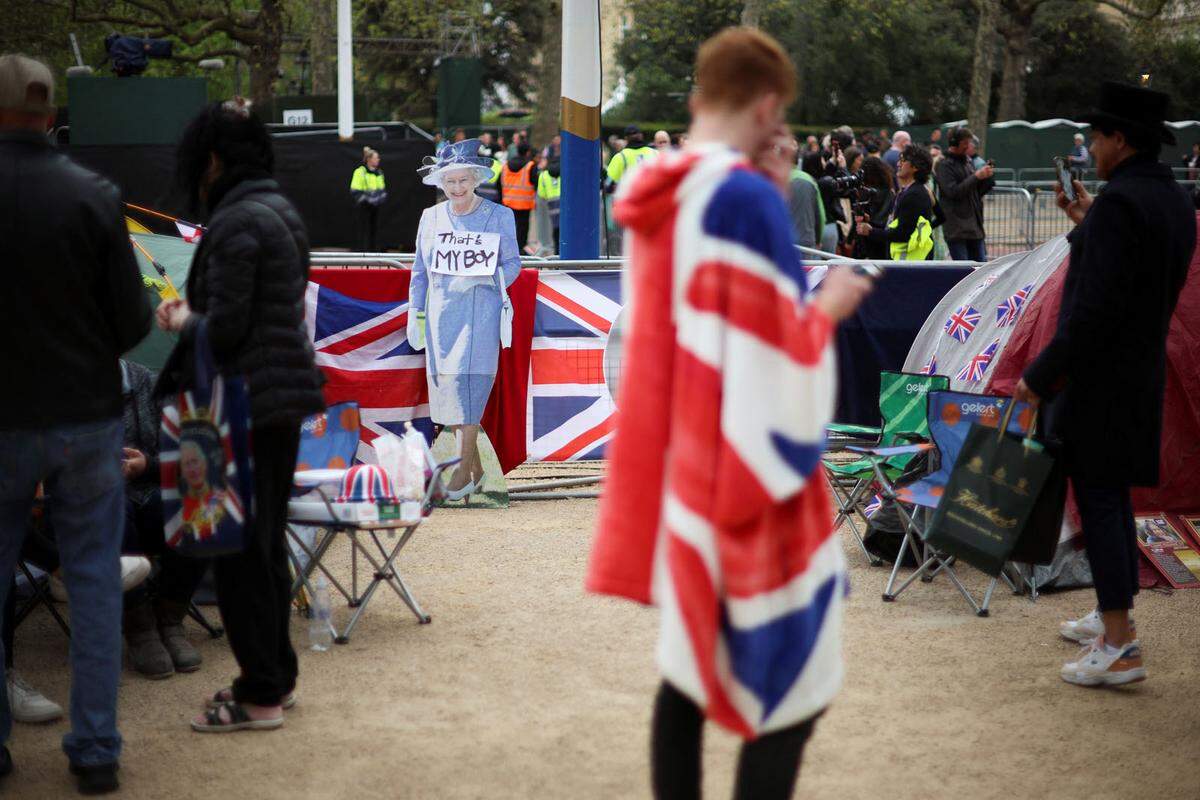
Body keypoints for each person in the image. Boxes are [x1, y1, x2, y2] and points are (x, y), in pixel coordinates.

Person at [586, 27, 873, 800]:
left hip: (686, 469)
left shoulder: (660, 190)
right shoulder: (743, 198)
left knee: (688, 668)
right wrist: (830, 306)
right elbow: (772, 353)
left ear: (696, 99)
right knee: (796, 685)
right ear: (770, 104)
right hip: (747, 475)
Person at [0, 53, 152, 793]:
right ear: (52, 115)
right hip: (87, 417)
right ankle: (96, 752)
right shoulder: (93, 195)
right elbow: (131, 320)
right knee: (93, 584)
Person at [1014, 81, 1196, 688]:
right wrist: (1086, 219)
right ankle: (1110, 616)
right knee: (1110, 500)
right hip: (1136, 373)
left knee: (1101, 499)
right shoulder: (1167, 200)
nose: (1089, 147)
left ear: (1120, 140)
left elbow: (1094, 307)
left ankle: (1120, 643)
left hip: (1098, 381)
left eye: (1096, 136)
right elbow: (1133, 274)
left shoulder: (1122, 205)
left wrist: (1038, 377)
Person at [157, 98, 325, 734]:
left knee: (240, 553)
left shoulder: (234, 223)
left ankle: (258, 694)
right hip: (279, 401)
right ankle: (274, 679)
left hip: (243, 404)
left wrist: (181, 318)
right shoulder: (279, 209)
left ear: (214, 160)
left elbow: (225, 328)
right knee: (263, 545)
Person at [408, 139, 522, 497]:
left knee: (469, 384)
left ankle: (461, 473)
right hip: (441, 314)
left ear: (475, 179)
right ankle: (475, 469)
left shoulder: (499, 215)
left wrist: (487, 278)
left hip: (480, 312)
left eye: (463, 181)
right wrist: (416, 309)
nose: (457, 188)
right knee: (447, 387)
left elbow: (513, 264)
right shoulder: (430, 217)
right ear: (441, 183)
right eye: (450, 182)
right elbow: (420, 270)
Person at [118, 359, 212, 680]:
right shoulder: (71, 389)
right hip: (100, 498)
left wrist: (148, 466)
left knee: (200, 506)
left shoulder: (152, 383)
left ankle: (170, 619)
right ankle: (139, 628)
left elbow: (190, 453)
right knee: (112, 509)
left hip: (156, 489)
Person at [857, 144, 937, 261]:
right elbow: (897, 226)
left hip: (911, 264)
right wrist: (871, 225)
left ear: (915, 167)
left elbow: (902, 234)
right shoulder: (908, 191)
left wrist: (870, 231)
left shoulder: (914, 194)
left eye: (903, 161)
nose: (898, 164)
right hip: (908, 261)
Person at [935, 126, 994, 261]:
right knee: (964, 272)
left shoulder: (967, 162)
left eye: (969, 143)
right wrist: (976, 177)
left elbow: (975, 192)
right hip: (957, 228)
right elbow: (953, 192)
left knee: (981, 270)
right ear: (954, 143)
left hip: (974, 227)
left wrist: (987, 179)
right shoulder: (944, 165)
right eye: (965, 143)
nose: (968, 146)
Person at [851, 155, 895, 260]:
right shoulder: (890, 193)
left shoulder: (864, 193)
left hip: (865, 241)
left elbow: (858, 219)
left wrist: (850, 240)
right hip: (883, 239)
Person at [499, 142, 538, 252]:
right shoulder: (530, 165)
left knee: (510, 227)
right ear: (528, 152)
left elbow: (499, 183)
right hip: (524, 203)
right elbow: (536, 183)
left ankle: (510, 248)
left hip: (508, 202)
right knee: (523, 227)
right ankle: (521, 249)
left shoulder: (506, 165)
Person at [788, 140, 825, 249]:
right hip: (807, 240)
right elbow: (820, 214)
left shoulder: (773, 180)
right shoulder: (809, 180)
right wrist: (818, 239)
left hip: (782, 241)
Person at [350, 146, 387, 251]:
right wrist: (367, 199)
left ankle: (373, 251)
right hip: (363, 206)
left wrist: (378, 198)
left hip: (375, 206)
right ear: (369, 159)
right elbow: (355, 189)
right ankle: (360, 251)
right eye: (376, 158)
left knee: (375, 229)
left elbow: (382, 189)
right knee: (362, 229)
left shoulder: (379, 173)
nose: (378, 160)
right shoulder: (360, 172)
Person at [605, 125, 657, 192]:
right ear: (641, 136)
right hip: (654, 199)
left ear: (626, 139)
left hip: (630, 200)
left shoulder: (620, 157)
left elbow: (608, 184)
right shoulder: (655, 153)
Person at [537, 157, 562, 253]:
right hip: (564, 204)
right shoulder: (565, 171)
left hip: (552, 206)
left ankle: (557, 253)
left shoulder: (543, 175)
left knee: (556, 231)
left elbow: (541, 194)